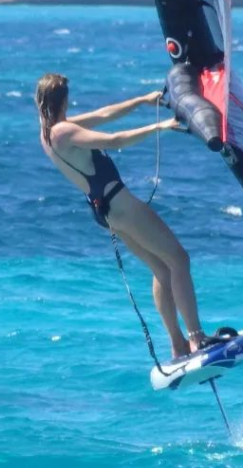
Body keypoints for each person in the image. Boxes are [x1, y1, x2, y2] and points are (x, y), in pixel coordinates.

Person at [36, 71, 218, 359]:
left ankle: (178, 344)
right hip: (122, 205)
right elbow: (112, 139)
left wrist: (141, 100)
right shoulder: (63, 132)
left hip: (107, 212)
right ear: (63, 100)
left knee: (162, 269)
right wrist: (161, 126)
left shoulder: (49, 134)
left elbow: (105, 114)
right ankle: (197, 339)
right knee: (179, 259)